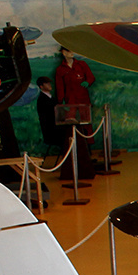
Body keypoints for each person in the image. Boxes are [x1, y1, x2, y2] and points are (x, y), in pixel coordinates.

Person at [54, 47, 96, 182]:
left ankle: (87, 152)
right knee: (70, 126)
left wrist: (87, 82)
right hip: (70, 101)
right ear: (63, 53)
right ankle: (71, 155)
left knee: (86, 125)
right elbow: (59, 86)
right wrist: (62, 101)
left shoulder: (82, 65)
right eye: (67, 51)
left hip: (83, 99)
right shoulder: (60, 70)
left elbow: (91, 77)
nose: (71, 53)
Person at [34, 77, 62, 157]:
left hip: (57, 127)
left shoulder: (52, 98)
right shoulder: (42, 100)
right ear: (41, 86)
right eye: (46, 83)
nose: (49, 85)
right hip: (52, 130)